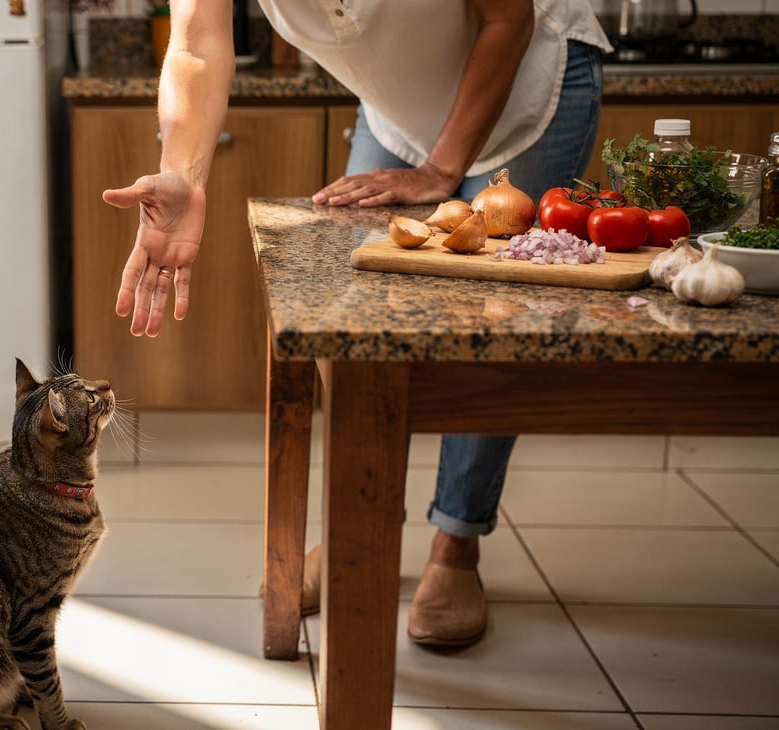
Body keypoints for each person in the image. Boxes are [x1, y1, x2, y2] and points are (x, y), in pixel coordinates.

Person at [101, 0, 612, 646]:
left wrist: (441, 171)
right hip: (397, 116)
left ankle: (456, 544)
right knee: (365, 320)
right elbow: (199, 46)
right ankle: (359, 525)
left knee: (490, 321)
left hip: (530, 93)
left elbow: (507, 18)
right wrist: (182, 175)